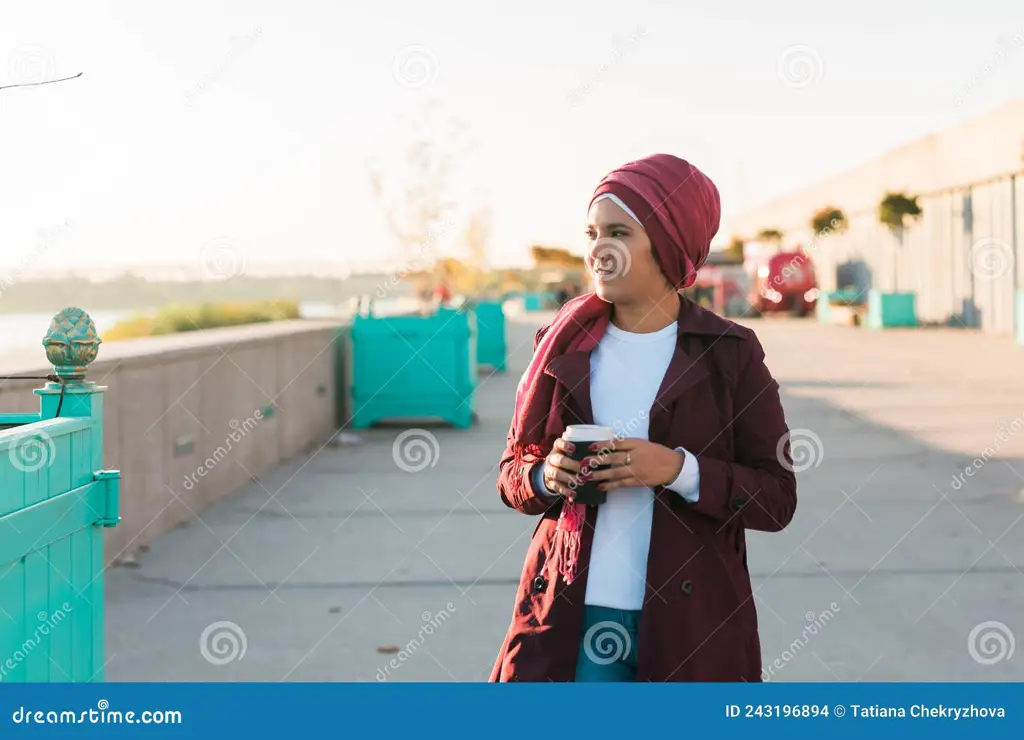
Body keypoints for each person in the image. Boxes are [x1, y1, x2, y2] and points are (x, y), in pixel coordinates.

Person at [490, 153, 797, 682]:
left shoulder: (730, 353)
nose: (598, 251)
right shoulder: (561, 348)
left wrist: (677, 469)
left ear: (669, 243)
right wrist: (547, 474)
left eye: (618, 233)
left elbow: (776, 499)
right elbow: (513, 476)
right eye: (591, 233)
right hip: (569, 617)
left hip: (691, 630)